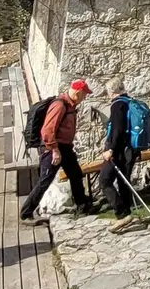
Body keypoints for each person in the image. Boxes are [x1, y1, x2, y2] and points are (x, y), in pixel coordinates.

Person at [19, 80, 94, 222]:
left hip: (65, 147)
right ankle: (26, 213)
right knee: (45, 181)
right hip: (53, 148)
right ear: (78, 93)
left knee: (76, 174)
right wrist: (54, 150)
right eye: (84, 95)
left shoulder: (69, 105)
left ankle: (83, 205)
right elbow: (47, 130)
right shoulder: (59, 106)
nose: (85, 98)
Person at [96, 80, 146, 235]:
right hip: (130, 149)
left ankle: (122, 214)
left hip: (119, 151)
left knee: (104, 180)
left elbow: (117, 130)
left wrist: (110, 149)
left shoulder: (117, 105)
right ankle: (127, 214)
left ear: (112, 91)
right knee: (124, 180)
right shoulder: (129, 102)